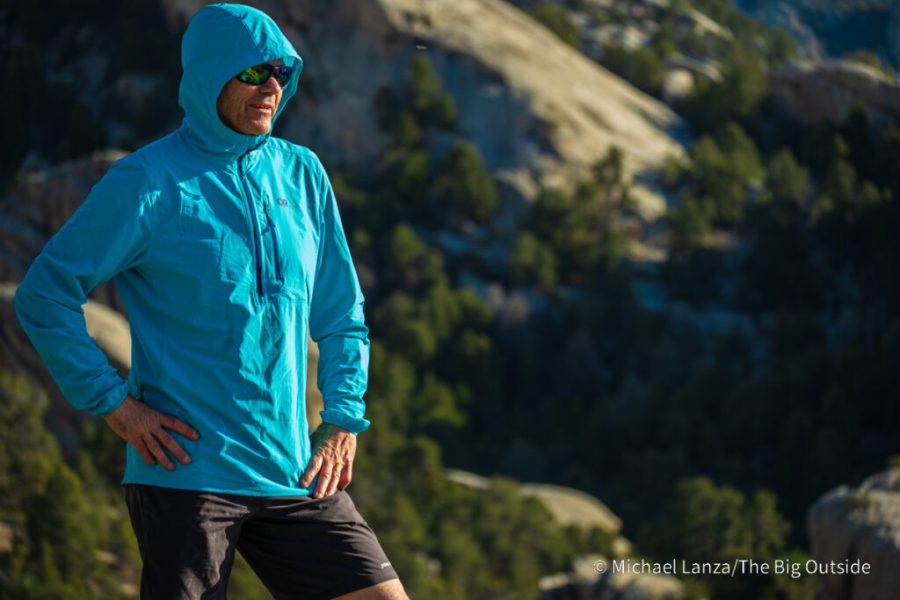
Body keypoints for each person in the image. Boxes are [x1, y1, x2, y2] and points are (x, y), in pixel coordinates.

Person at [14, 3, 408, 599]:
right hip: (187, 477)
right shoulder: (146, 182)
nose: (272, 85)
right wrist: (115, 406)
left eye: (281, 71)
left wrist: (343, 420)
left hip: (294, 471)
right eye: (252, 73)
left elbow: (341, 314)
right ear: (207, 77)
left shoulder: (302, 173)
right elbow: (44, 295)